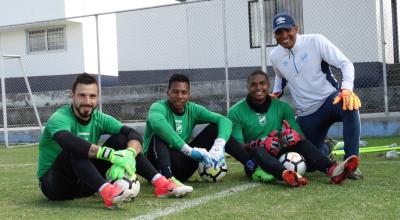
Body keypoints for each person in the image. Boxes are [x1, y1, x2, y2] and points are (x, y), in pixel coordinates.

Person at [37, 73, 192, 209]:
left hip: (87, 184)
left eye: (92, 96)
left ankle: (161, 184)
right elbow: (67, 141)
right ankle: (108, 192)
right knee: (75, 150)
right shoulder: (60, 117)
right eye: (82, 95)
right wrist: (110, 155)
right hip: (55, 185)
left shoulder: (99, 117)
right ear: (72, 95)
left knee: (122, 139)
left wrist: (129, 153)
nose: (87, 101)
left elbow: (133, 134)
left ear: (97, 97)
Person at [269, 12, 363, 179]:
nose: (284, 36)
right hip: (307, 113)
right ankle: (326, 148)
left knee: (350, 105)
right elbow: (280, 76)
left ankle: (351, 163)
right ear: (275, 35)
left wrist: (346, 89)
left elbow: (345, 64)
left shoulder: (316, 41)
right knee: (310, 164)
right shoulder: (275, 56)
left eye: (287, 30)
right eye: (279, 32)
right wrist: (276, 92)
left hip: (330, 100)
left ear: (296, 29)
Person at [228, 70, 360, 187]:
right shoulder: (236, 112)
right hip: (255, 162)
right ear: (247, 87)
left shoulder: (282, 107)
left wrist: (291, 136)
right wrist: (258, 143)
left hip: (279, 151)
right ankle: (286, 175)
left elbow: (300, 136)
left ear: (268, 85)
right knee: (258, 150)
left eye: (262, 83)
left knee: (301, 143)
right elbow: (238, 148)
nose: (258, 87)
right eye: (253, 84)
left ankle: (333, 170)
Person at [143, 74, 275, 190]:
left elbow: (224, 121)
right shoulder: (158, 107)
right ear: (168, 93)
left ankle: (253, 168)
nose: (180, 96)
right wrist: (188, 150)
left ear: (189, 94)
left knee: (214, 128)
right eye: (175, 92)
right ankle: (167, 181)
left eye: (184, 92)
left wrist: (219, 145)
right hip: (155, 167)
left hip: (181, 166)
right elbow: (158, 124)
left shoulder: (193, 109)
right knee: (158, 135)